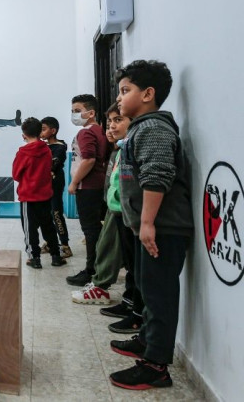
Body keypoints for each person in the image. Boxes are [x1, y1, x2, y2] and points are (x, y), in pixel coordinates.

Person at [108, 60, 193, 390]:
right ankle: (147, 339)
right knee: (146, 285)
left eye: (125, 91)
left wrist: (146, 223)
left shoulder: (154, 128)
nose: (119, 98)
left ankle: (157, 366)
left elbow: (157, 176)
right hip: (149, 227)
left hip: (162, 228)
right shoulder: (141, 127)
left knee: (159, 294)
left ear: (148, 94)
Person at [71, 104, 144, 336]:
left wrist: (73, 183)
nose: (111, 126)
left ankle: (99, 282)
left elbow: (89, 159)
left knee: (107, 246)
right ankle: (128, 303)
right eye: (110, 121)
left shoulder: (90, 134)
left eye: (118, 120)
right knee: (122, 257)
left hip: (125, 211)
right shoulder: (118, 149)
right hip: (117, 207)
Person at [12, 117, 67, 269]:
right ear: (39, 132)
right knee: (48, 226)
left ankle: (34, 258)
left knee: (30, 229)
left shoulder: (23, 153)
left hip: (28, 197)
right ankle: (56, 256)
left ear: (24, 134)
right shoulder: (47, 150)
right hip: (45, 195)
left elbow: (16, 175)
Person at [65, 94, 108, 286]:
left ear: (90, 113)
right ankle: (97, 267)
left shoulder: (86, 133)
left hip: (88, 187)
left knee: (90, 230)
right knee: (94, 230)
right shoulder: (99, 130)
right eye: (73, 111)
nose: (74, 114)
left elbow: (89, 159)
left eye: (77, 111)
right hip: (97, 186)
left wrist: (74, 182)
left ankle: (91, 271)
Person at [39, 117, 72, 258]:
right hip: (44, 184)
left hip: (55, 184)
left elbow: (54, 164)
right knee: (45, 215)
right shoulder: (43, 146)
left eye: (43, 129)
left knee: (56, 213)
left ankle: (65, 246)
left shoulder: (60, 146)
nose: (41, 132)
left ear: (53, 131)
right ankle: (49, 242)